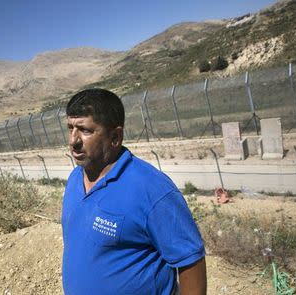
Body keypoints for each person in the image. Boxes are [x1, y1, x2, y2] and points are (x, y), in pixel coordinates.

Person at [61, 88, 207, 295]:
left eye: (85, 130)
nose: (73, 141)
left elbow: (191, 262)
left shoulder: (151, 189)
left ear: (115, 136)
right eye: (70, 128)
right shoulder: (75, 179)